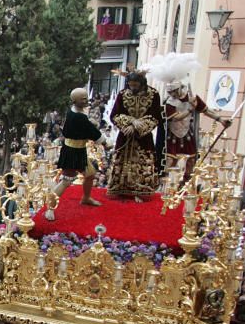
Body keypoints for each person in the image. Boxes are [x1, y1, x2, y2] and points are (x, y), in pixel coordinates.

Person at [48, 87, 109, 221]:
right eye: (83, 99)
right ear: (75, 101)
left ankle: (86, 197)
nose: (87, 100)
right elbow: (91, 131)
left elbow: (87, 127)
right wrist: (105, 142)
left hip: (79, 150)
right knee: (65, 182)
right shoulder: (78, 116)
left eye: (87, 97)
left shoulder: (76, 111)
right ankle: (50, 208)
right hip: (72, 152)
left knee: (90, 175)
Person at [108, 70, 162, 202]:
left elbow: (155, 116)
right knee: (122, 161)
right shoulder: (122, 94)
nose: (133, 88)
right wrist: (129, 122)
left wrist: (137, 127)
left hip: (143, 136)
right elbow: (114, 114)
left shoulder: (153, 94)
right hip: (125, 134)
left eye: (135, 86)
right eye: (131, 85)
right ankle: (120, 187)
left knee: (143, 162)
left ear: (142, 83)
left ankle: (140, 190)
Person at [162, 79, 231, 182]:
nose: (172, 94)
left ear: (180, 89)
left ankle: (186, 184)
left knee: (191, 160)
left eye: (174, 91)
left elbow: (206, 111)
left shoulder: (192, 98)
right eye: (170, 92)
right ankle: (167, 183)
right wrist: (190, 109)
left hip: (187, 133)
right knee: (170, 160)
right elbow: (176, 118)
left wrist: (221, 120)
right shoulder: (169, 102)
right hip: (173, 134)